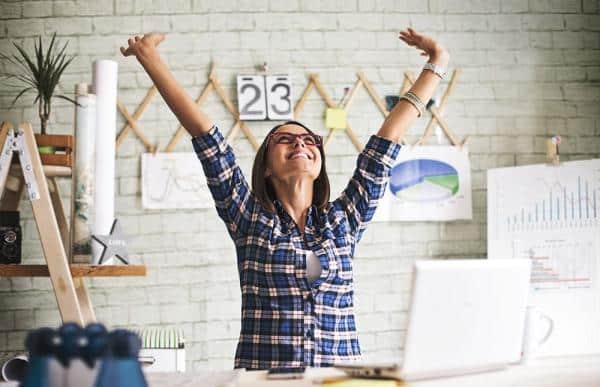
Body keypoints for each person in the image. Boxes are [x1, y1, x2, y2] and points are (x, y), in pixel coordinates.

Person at [121, 28, 449, 370]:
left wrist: (437, 63)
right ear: (265, 167)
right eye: (285, 140)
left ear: (319, 161)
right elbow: (207, 138)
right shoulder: (248, 219)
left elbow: (387, 141)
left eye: (310, 140)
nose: (301, 144)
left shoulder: (344, 220)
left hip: (337, 380)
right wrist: (149, 57)